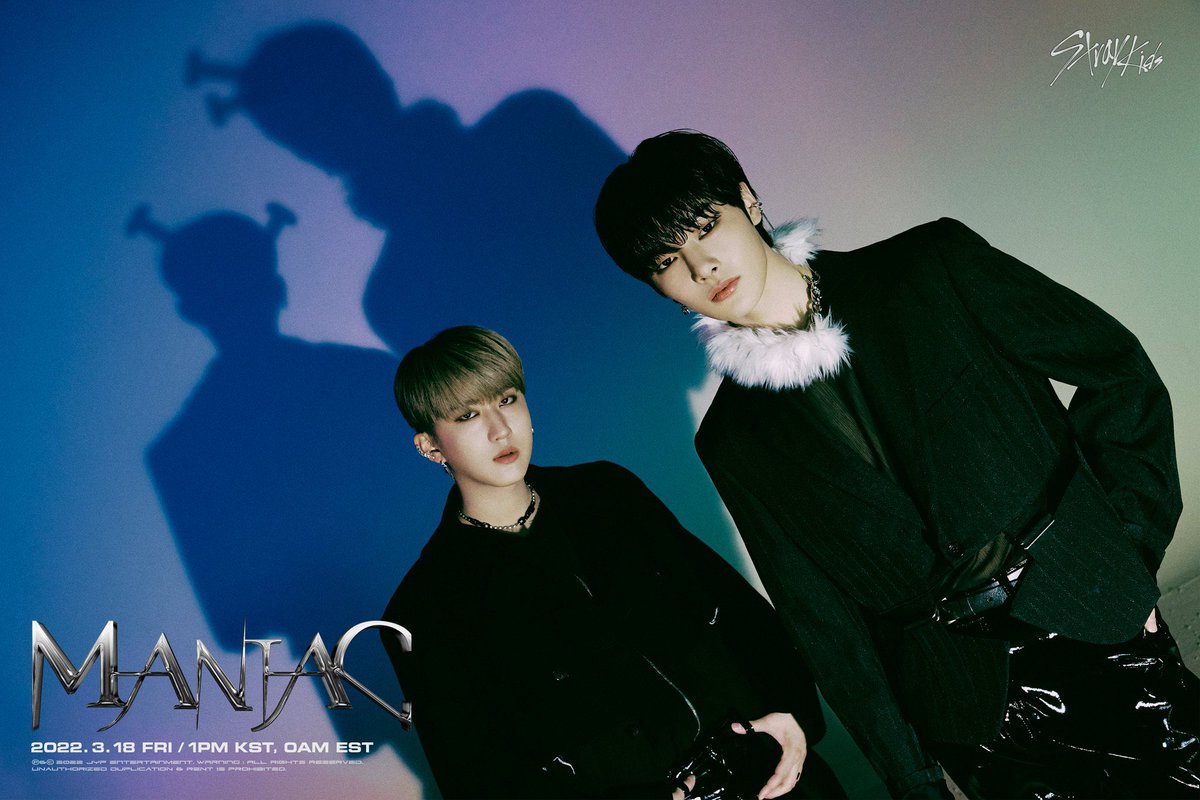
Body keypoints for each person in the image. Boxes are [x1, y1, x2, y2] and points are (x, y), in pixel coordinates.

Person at [593, 131, 1199, 799]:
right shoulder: (732, 442)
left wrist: (1124, 553)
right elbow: (823, 620)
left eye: (707, 226)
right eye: (667, 259)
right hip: (969, 706)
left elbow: (1118, 374)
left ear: (749, 200)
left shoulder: (929, 267)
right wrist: (912, 778)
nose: (701, 266)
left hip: (1088, 612)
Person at [380, 326, 847, 799]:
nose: (500, 429)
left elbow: (738, 610)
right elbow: (479, 781)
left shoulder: (608, 493)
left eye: (507, 399)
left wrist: (792, 713)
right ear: (430, 446)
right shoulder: (426, 607)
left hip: (773, 773)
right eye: (467, 415)